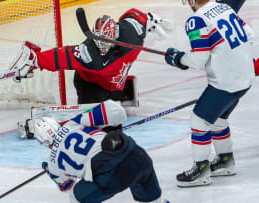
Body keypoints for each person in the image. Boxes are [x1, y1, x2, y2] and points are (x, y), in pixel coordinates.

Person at [164, 0, 255, 187]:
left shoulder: (196, 20)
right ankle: (225, 161)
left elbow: (198, 59)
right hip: (245, 77)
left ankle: (201, 170)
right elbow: (249, 34)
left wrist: (177, 58)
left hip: (225, 82)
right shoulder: (226, 8)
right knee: (218, 120)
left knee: (199, 121)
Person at [13, 8, 172, 105]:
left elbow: (136, 14)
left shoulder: (132, 33)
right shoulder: (91, 54)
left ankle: (123, 91)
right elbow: (62, 56)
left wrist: (154, 20)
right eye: (98, 42)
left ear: (115, 35)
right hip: (91, 84)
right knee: (96, 123)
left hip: (114, 82)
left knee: (117, 92)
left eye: (105, 44)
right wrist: (36, 60)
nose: (101, 48)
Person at [30, 100, 168, 203]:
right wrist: (113, 128)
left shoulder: (52, 163)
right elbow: (116, 112)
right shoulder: (74, 123)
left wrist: (50, 171)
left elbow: (65, 186)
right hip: (136, 155)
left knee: (75, 197)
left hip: (111, 175)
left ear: (44, 142)